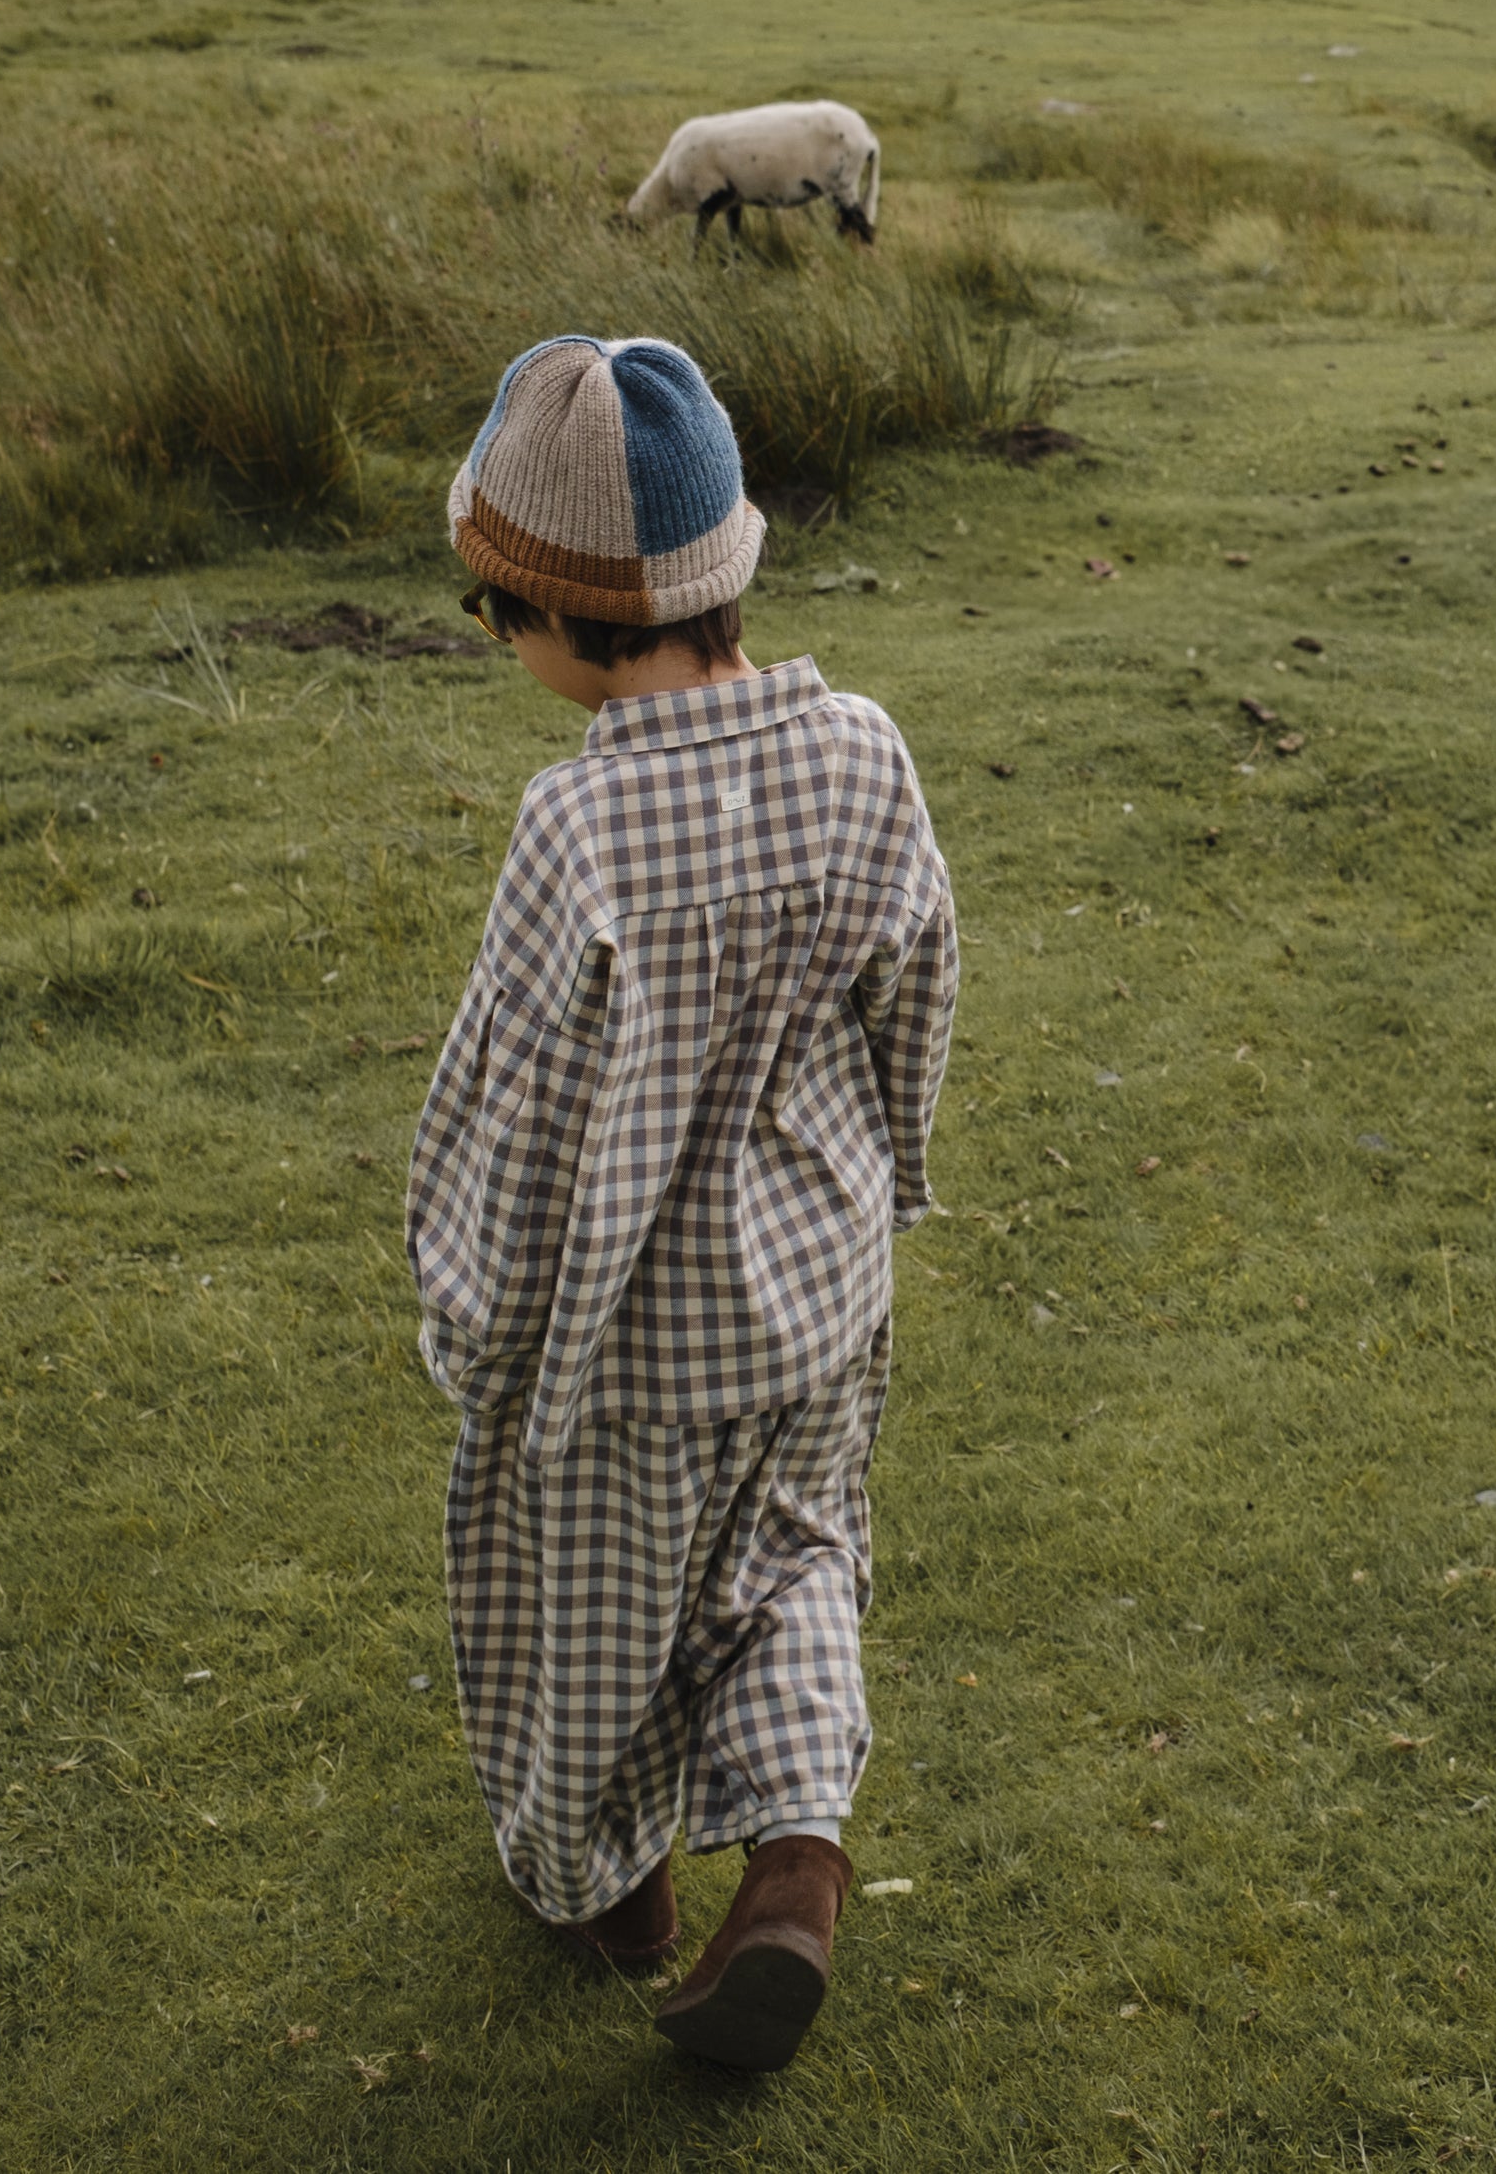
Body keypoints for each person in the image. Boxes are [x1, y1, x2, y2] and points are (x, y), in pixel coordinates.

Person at [405, 332, 954, 2071]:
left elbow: (511, 1110)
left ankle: (611, 1889)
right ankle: (794, 1863)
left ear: (564, 619)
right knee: (794, 1568)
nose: (501, 643)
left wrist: (473, 1323)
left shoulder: (577, 832)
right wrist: (889, 1177)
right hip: (818, 1305)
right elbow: (918, 994)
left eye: (497, 613)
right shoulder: (861, 753)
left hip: (628, 1355)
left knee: (592, 1611)